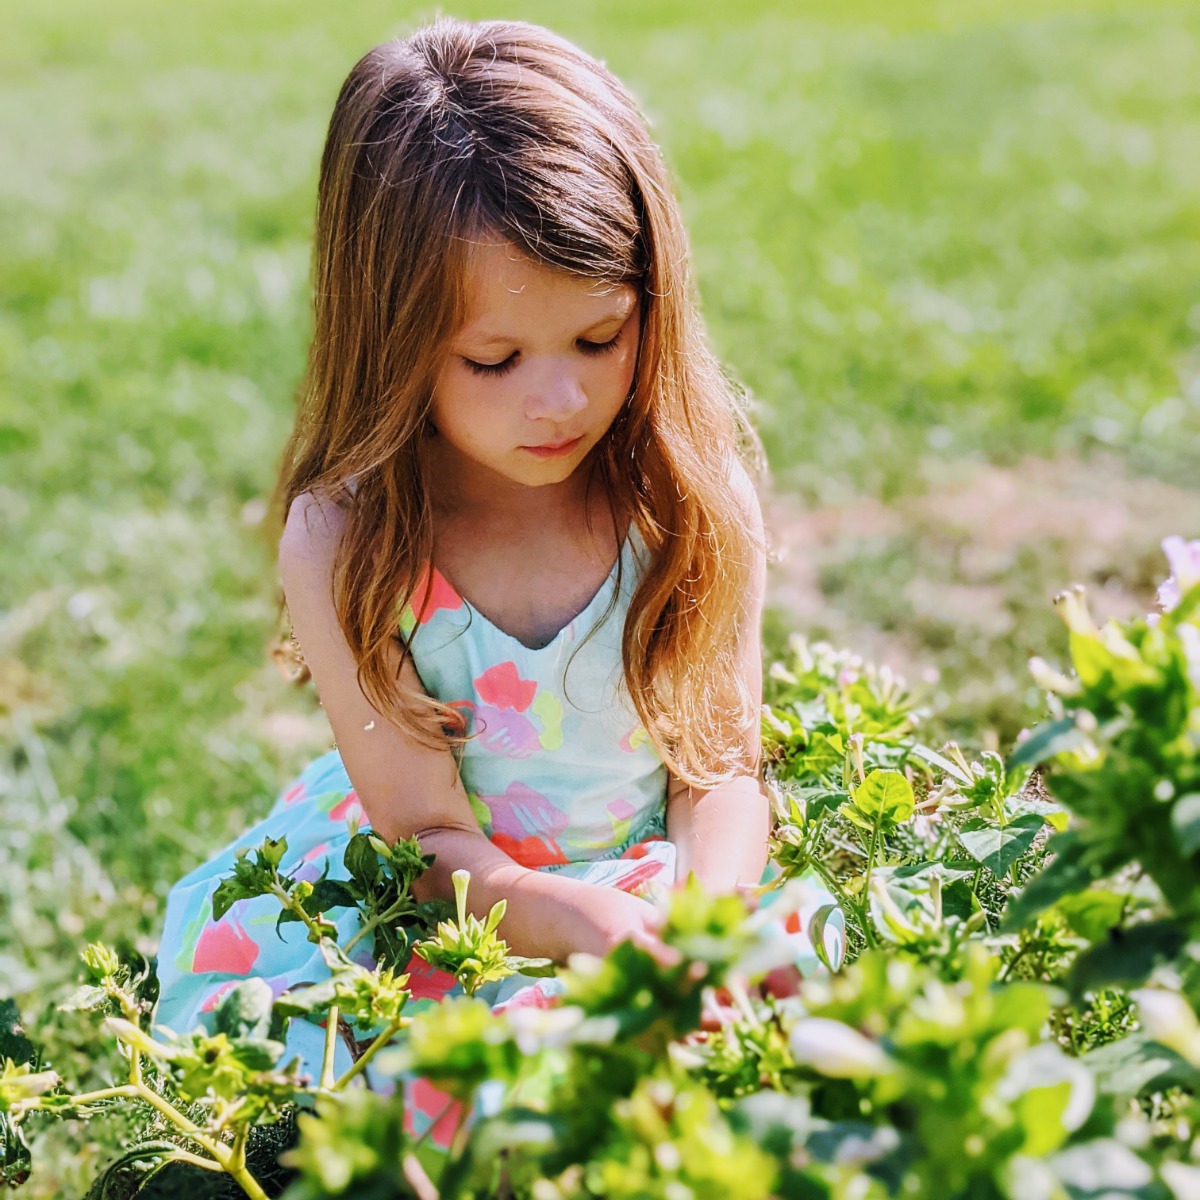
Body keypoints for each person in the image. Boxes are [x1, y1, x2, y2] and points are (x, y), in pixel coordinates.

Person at [153, 14, 844, 1160]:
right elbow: (425, 837)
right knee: (468, 1090)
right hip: (464, 907)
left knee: (779, 1041)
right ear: (392, 334)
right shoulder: (351, 541)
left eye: (600, 337)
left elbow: (717, 771)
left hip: (668, 877)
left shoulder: (682, 492)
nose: (560, 402)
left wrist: (700, 930)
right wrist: (582, 924)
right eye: (495, 360)